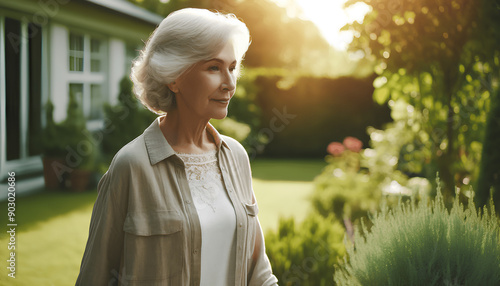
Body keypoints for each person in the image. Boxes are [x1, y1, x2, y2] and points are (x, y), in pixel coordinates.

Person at [75, 8, 278, 286]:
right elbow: (95, 277)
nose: (230, 84)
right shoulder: (131, 166)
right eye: (214, 68)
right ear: (174, 76)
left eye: (232, 68)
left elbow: (258, 270)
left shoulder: (236, 157)